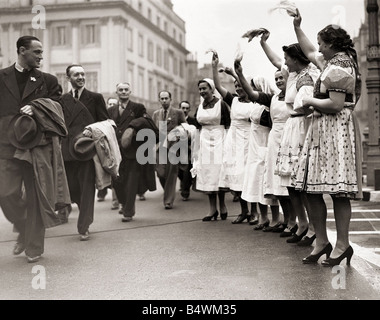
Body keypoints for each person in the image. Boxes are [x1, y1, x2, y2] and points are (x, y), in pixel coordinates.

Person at [292, 10, 362, 265]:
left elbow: (334, 104)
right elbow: (310, 52)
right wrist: (297, 27)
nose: (319, 48)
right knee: (311, 190)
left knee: (338, 192)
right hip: (323, 129)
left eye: (322, 43)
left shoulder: (341, 65)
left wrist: (308, 99)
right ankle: (321, 241)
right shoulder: (334, 62)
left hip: (335, 129)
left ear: (331, 44)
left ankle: (342, 244)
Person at [0, 35, 68, 263]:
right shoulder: (1, 77)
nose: (41, 56)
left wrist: (37, 107)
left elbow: (59, 108)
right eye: (37, 52)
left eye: (41, 52)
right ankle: (23, 225)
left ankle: (34, 247)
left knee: (37, 197)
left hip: (37, 145)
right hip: (6, 144)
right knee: (6, 193)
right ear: (22, 51)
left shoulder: (47, 81)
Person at [259, 30, 319, 243]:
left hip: (303, 126)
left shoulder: (310, 74)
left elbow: (308, 106)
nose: (283, 62)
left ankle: (313, 228)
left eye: (287, 58)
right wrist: (263, 43)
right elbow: (276, 59)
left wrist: (298, 26)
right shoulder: (293, 75)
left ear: (296, 59)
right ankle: (302, 224)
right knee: (291, 182)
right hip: (291, 129)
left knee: (302, 182)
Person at [234, 59, 295, 234]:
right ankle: (281, 220)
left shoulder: (292, 96)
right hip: (269, 143)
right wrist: (238, 73)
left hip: (284, 140)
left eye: (281, 78)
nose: (278, 81)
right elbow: (251, 95)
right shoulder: (272, 99)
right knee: (274, 184)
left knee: (287, 184)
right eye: (276, 79)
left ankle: (291, 220)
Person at [60, 64, 109, 241]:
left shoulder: (95, 98)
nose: (80, 77)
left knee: (87, 188)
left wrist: (92, 131)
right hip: (67, 151)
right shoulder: (63, 99)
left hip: (87, 150)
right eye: (76, 75)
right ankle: (84, 212)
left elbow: (105, 122)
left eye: (82, 74)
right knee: (73, 189)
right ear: (68, 78)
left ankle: (84, 225)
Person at [211, 51, 257, 224]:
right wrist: (214, 67)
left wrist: (237, 72)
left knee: (250, 177)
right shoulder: (233, 100)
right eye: (236, 86)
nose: (238, 88)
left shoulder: (256, 101)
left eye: (240, 85)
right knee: (237, 177)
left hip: (251, 141)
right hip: (234, 141)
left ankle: (254, 212)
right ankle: (244, 211)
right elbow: (217, 85)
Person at [108, 82, 156, 221]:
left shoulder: (138, 108)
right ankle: (123, 203)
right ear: (116, 92)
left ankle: (128, 211)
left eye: (126, 90)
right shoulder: (111, 111)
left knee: (131, 182)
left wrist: (134, 127)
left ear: (130, 92)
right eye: (120, 90)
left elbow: (147, 123)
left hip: (133, 152)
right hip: (116, 153)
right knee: (117, 183)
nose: (123, 92)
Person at [193, 78, 231, 221]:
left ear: (211, 89)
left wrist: (228, 144)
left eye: (205, 88)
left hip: (219, 138)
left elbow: (228, 124)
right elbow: (197, 125)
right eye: (200, 89)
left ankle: (222, 206)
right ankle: (212, 209)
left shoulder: (221, 104)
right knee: (207, 173)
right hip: (204, 140)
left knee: (218, 173)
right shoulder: (200, 106)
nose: (202, 91)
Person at [153, 91, 186, 209]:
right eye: (162, 98)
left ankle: (168, 200)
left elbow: (185, 127)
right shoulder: (156, 114)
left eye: (166, 98)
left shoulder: (178, 112)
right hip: (160, 147)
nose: (164, 100)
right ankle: (168, 191)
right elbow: (153, 130)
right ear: (159, 100)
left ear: (170, 99)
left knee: (172, 173)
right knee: (161, 173)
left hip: (173, 147)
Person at [97, 96, 120, 209]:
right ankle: (102, 193)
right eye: (109, 104)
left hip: (117, 148)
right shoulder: (102, 117)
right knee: (106, 170)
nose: (111, 106)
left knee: (116, 173)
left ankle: (116, 200)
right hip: (105, 148)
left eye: (114, 104)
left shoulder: (119, 117)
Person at [177, 100, 196, 201]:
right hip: (177, 150)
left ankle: (185, 191)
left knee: (187, 170)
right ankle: (185, 183)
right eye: (182, 108)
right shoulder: (176, 121)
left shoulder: (193, 121)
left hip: (189, 149)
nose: (184, 110)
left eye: (186, 108)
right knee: (179, 171)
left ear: (189, 110)